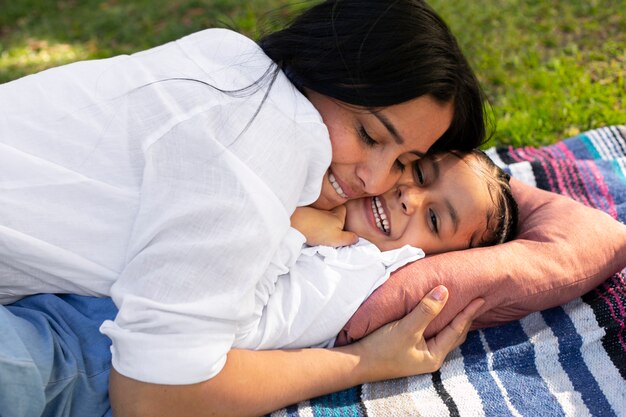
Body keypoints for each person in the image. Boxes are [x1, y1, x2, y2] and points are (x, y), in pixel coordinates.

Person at [0, 0, 489, 416]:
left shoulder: (232, 56)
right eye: (368, 135)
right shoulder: (267, 141)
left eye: (405, 162)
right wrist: (367, 362)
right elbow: (150, 396)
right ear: (327, 66)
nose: (376, 180)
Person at [236, 149, 518, 351]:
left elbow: (240, 332)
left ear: (427, 259)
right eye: (419, 173)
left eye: (433, 219)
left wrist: (294, 227)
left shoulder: (351, 271)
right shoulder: (340, 179)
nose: (409, 196)